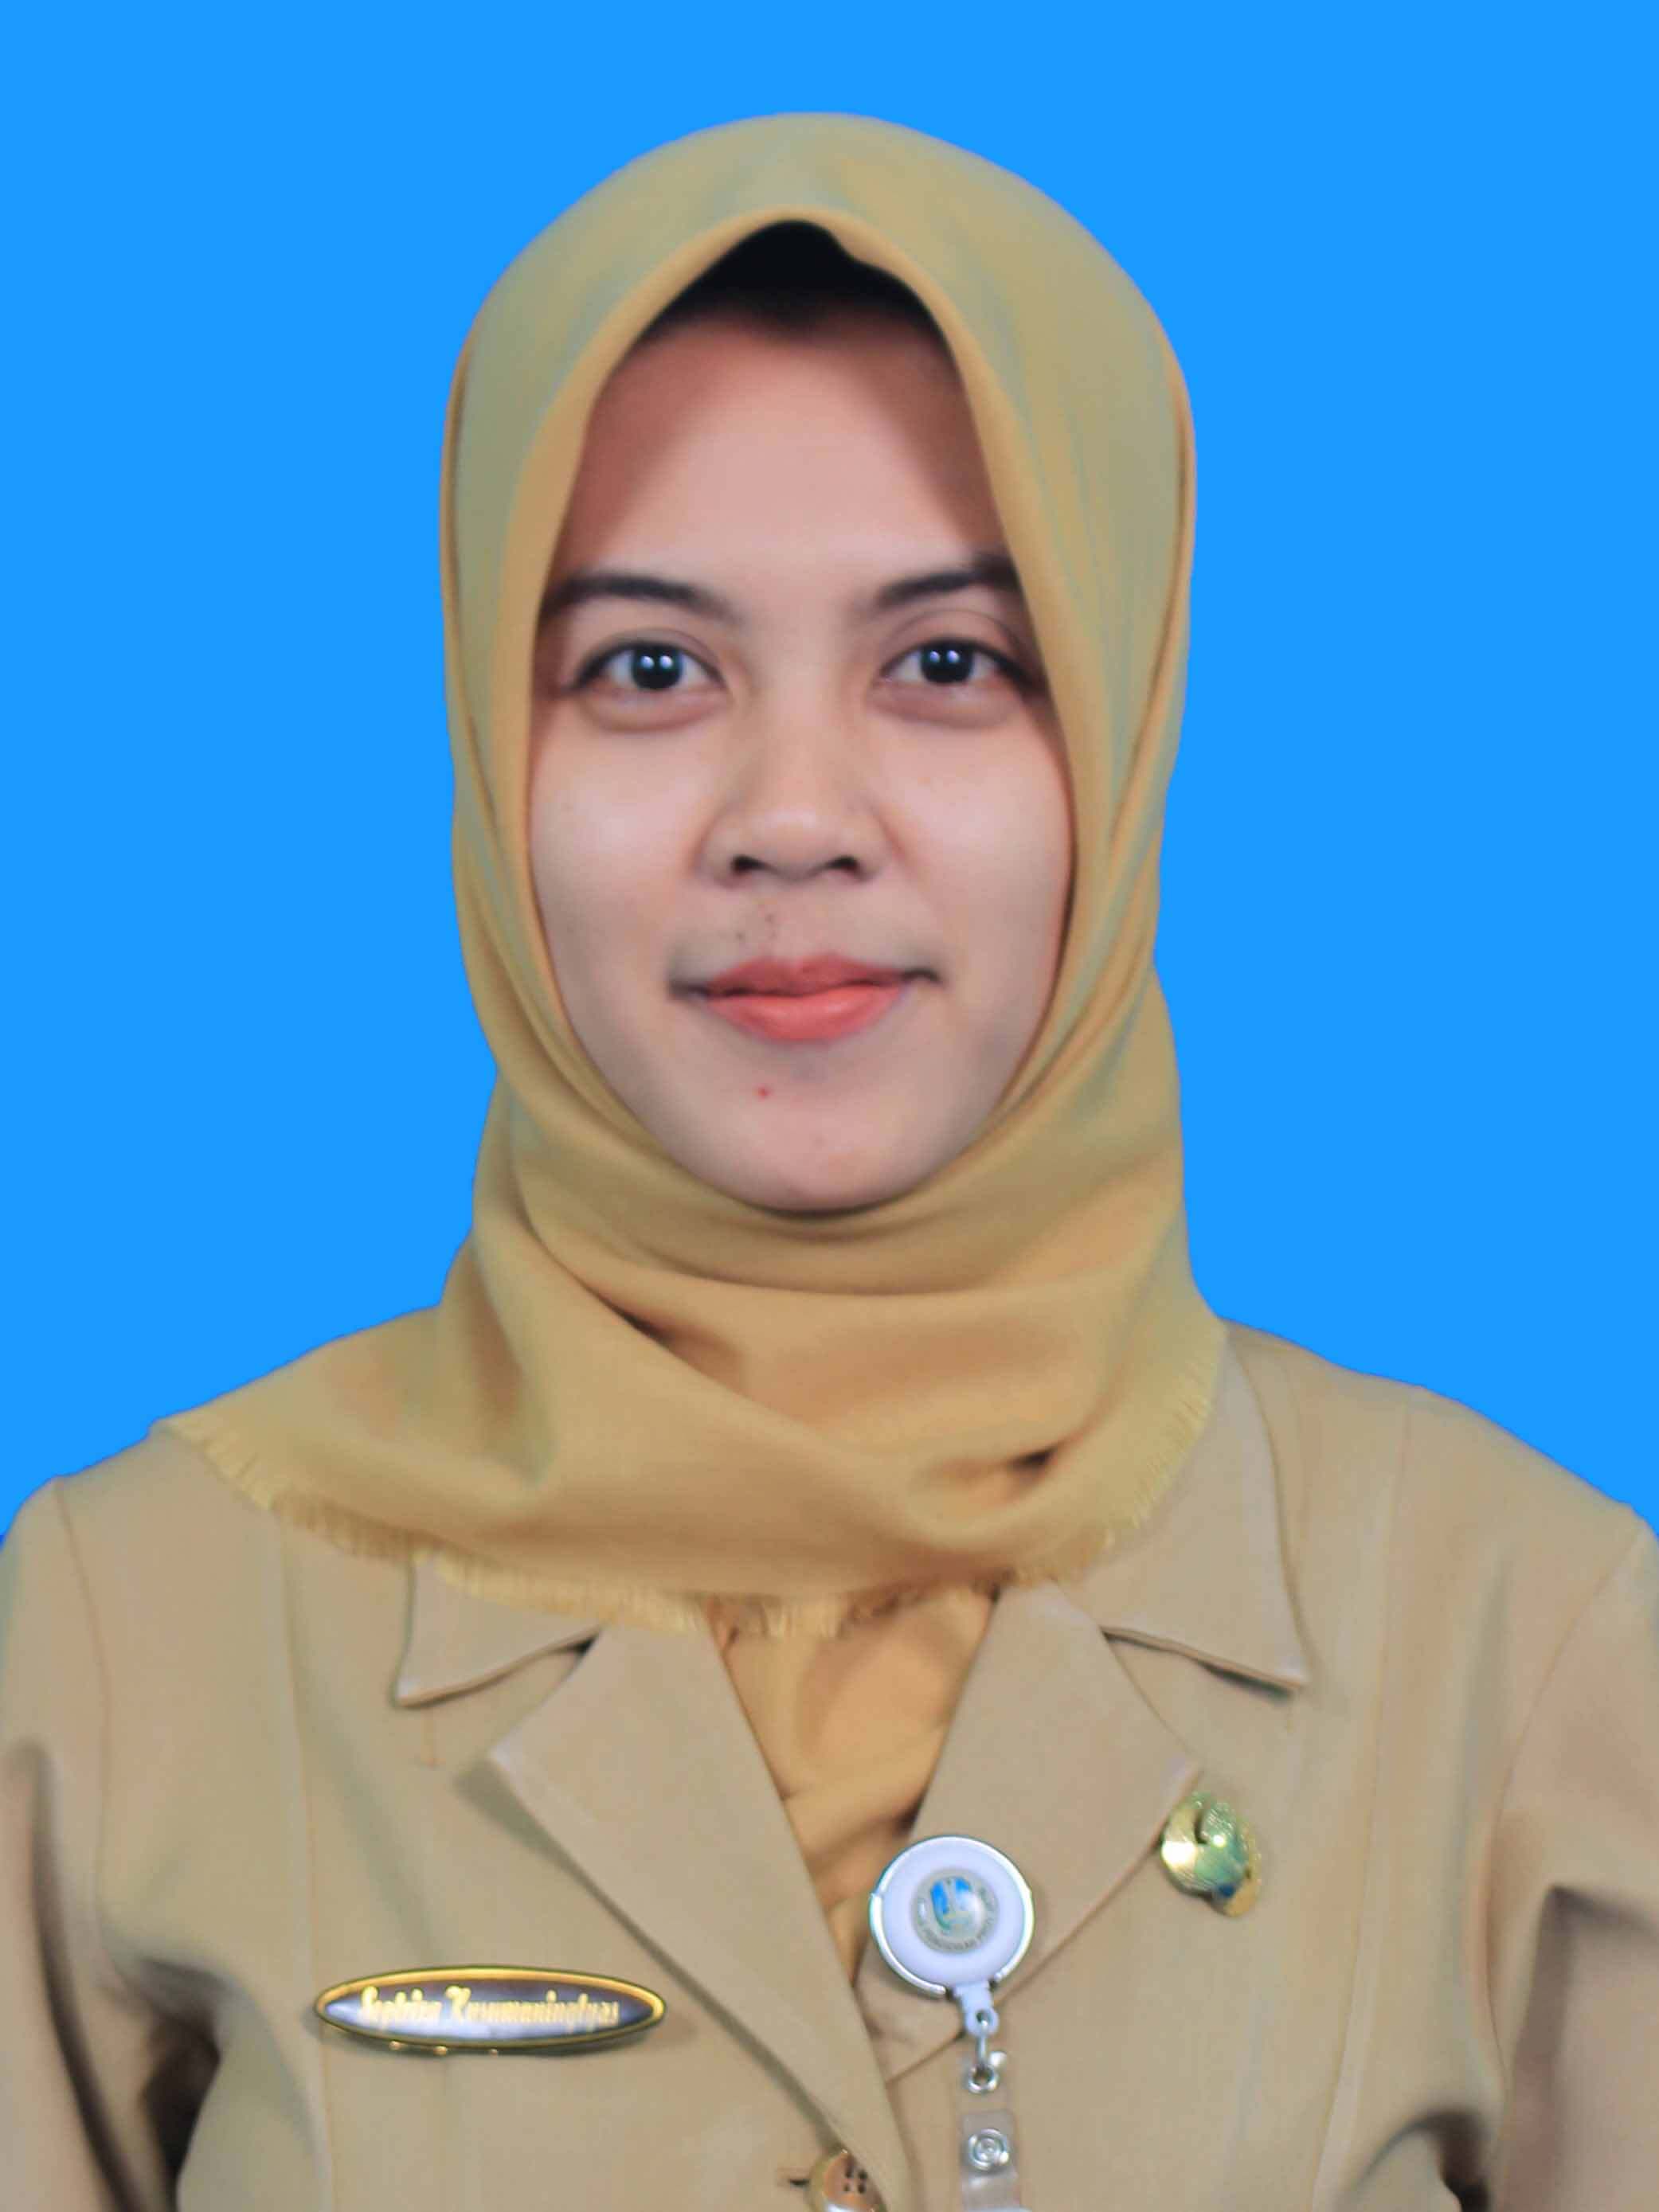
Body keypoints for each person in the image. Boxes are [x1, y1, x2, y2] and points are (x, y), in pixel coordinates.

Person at [2, 111, 1656, 2212]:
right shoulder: (125, 1632)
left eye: (949, 664)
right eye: (649, 669)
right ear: (493, 749)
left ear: (1122, 729)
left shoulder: (1520, 1634)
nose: (793, 816)